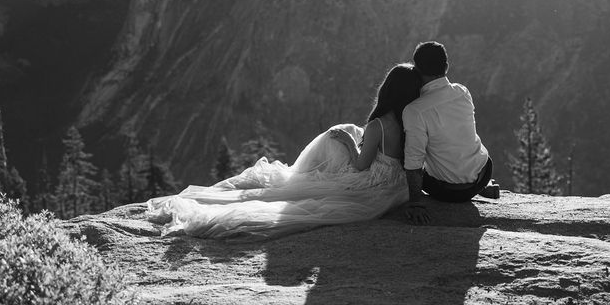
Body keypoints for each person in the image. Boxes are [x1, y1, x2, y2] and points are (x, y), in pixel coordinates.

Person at [146, 64, 422, 240]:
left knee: (337, 135)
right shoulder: (412, 119)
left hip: (371, 185)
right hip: (396, 186)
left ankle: (298, 175)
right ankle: (301, 174)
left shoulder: (378, 125)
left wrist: (350, 143)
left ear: (387, 90)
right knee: (346, 129)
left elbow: (361, 166)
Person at [402, 41, 494, 226]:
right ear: (446, 66)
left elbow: (413, 163)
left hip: (448, 192)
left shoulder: (415, 110)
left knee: (408, 151)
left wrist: (416, 203)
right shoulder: (463, 92)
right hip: (482, 176)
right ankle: (484, 186)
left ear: (417, 69)